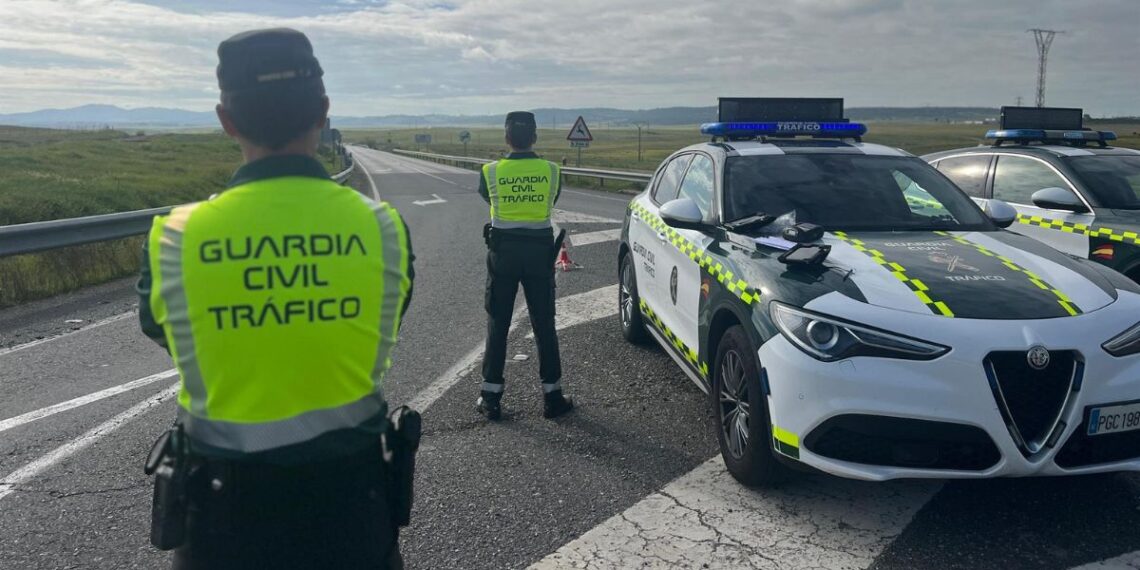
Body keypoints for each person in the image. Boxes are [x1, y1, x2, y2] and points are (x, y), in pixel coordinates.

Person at [136, 28, 414, 569]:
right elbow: (390, 310)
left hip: (222, 521)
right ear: (323, 112)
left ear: (227, 121)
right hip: (353, 510)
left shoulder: (174, 237)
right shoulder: (383, 229)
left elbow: (162, 328)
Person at [476, 111, 573, 420]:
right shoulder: (551, 170)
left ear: (506, 139)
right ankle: (552, 397)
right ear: (535, 137)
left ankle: (490, 397)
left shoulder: (490, 172)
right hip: (539, 254)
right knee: (544, 324)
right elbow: (552, 197)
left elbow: (486, 197)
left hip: (503, 252)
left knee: (498, 322)